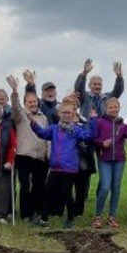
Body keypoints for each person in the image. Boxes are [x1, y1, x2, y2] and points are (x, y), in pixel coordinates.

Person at [31, 96, 96, 229]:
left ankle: (70, 218)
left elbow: (88, 137)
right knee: (48, 193)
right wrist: (33, 123)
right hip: (55, 168)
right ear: (59, 113)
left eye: (69, 113)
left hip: (69, 168)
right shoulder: (54, 128)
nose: (66, 115)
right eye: (64, 112)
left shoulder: (76, 130)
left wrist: (93, 120)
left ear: (73, 114)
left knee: (67, 194)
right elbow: (42, 133)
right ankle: (44, 219)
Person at [8, 75, 50, 222]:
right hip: (24, 155)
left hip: (40, 157)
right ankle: (26, 214)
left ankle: (37, 211)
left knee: (39, 186)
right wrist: (15, 92)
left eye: (34, 101)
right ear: (25, 103)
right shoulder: (21, 115)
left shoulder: (43, 117)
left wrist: (47, 153)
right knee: (25, 186)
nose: (32, 104)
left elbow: (46, 136)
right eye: (29, 102)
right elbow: (15, 107)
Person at [92, 97, 127, 228]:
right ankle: (97, 216)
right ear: (106, 109)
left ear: (119, 108)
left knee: (116, 189)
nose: (113, 109)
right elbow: (93, 138)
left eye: (115, 107)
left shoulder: (123, 125)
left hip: (119, 161)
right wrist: (102, 143)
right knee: (105, 187)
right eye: (110, 107)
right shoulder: (100, 122)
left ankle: (112, 217)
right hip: (104, 160)